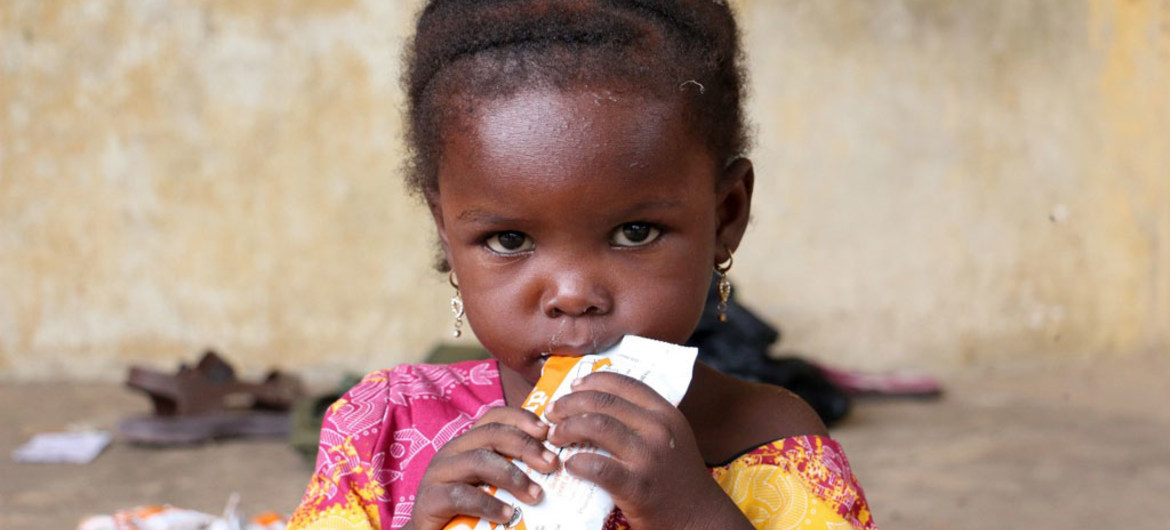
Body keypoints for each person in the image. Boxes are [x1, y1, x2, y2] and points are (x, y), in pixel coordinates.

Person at [288, 1, 876, 529]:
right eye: (509, 239)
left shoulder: (767, 441)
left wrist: (692, 513)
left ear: (726, 216)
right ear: (446, 233)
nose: (572, 295)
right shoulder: (383, 430)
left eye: (634, 232)